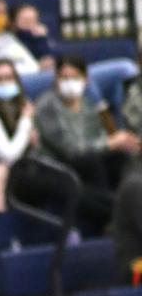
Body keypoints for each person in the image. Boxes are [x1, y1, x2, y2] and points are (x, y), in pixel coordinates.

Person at [0, 60, 115, 234]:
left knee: (85, 166)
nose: (4, 83)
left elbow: (28, 149)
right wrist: (26, 122)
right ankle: (118, 212)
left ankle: (113, 214)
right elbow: (9, 157)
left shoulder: (17, 107)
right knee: (61, 183)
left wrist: (32, 140)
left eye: (9, 78)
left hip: (20, 174)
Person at [34, 55, 139, 225]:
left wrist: (117, 143)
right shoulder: (47, 106)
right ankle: (114, 217)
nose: (69, 82)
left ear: (86, 80)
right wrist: (110, 143)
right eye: (64, 77)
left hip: (85, 163)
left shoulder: (88, 106)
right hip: (56, 166)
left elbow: (97, 140)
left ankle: (130, 201)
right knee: (92, 159)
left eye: (74, 77)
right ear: (56, 80)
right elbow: (71, 150)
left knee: (119, 157)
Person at [7, 0, 136, 117]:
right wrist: (40, 41)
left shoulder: (42, 39)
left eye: (34, 21)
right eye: (25, 21)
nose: (31, 26)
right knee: (82, 79)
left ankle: (128, 124)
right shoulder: (14, 41)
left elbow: (57, 60)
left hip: (55, 73)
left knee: (124, 71)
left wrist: (43, 41)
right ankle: (106, 128)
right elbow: (46, 63)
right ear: (13, 24)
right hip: (29, 80)